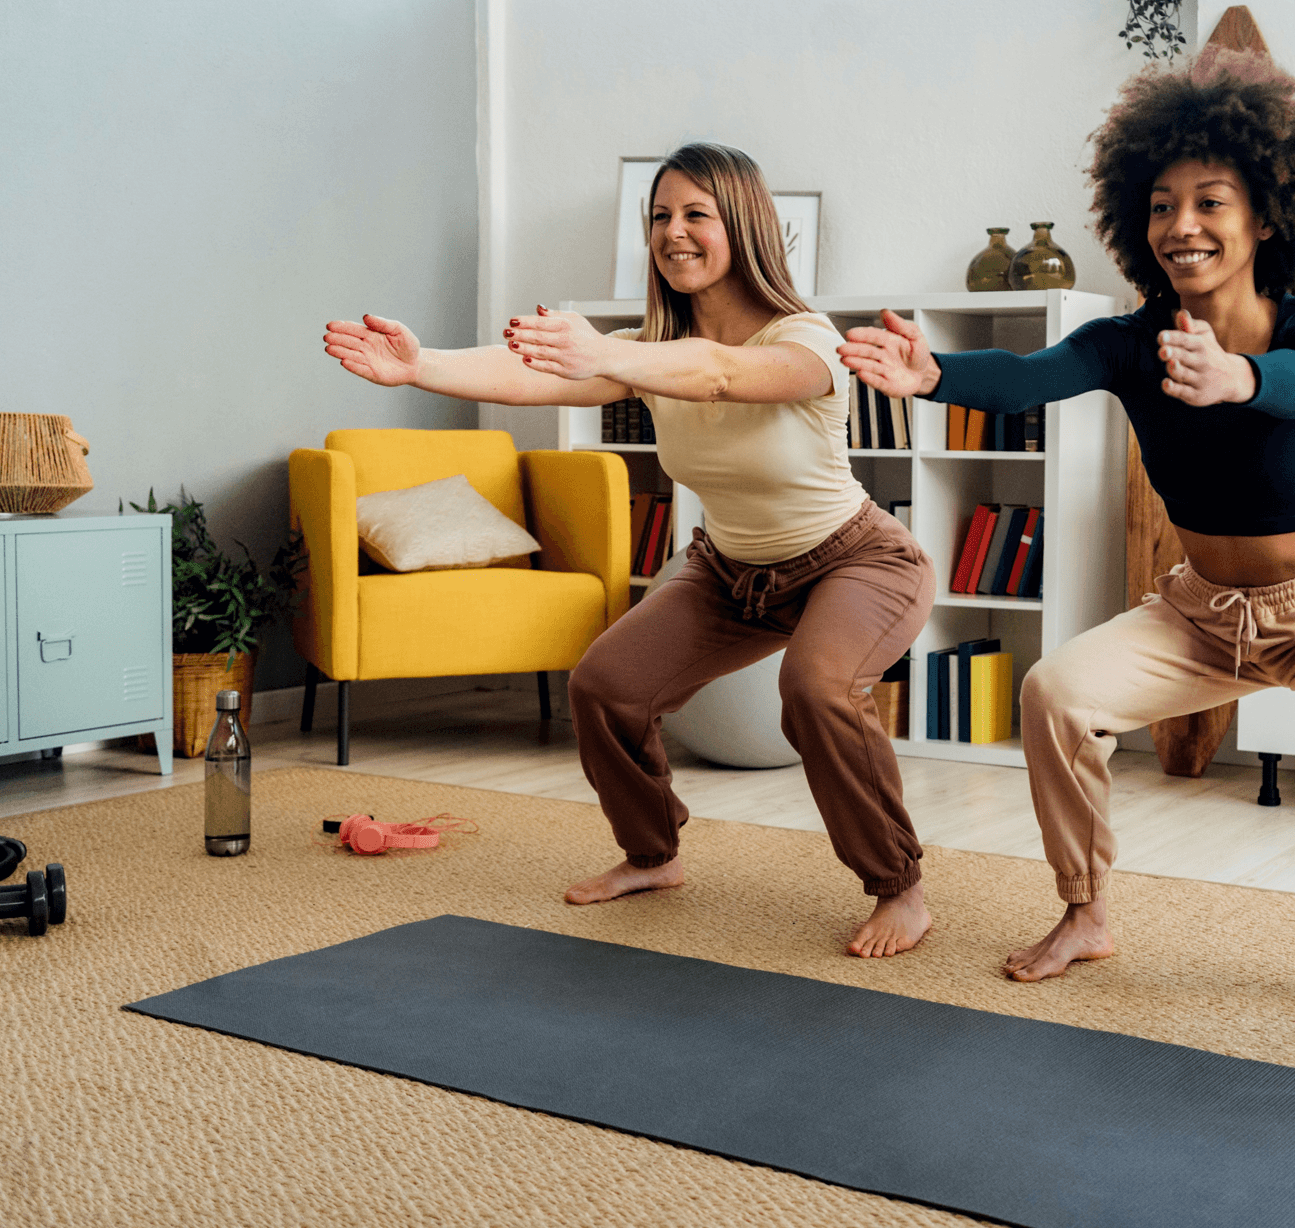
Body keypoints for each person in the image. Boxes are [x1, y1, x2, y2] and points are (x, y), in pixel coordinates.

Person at [839, 50, 1295, 1037]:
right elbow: (1031, 376)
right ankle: (1085, 913)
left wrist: (1236, 381)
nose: (1182, 227)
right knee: (1056, 693)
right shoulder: (1131, 341)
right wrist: (934, 371)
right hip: (1202, 612)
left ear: (1268, 217)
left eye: (1210, 202)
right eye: (1161, 206)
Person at [325, 142, 938, 958]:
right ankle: (653, 855)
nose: (673, 233)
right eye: (659, 216)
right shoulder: (653, 348)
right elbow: (536, 375)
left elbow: (721, 374)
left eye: (695, 215)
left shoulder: (809, 341)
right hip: (728, 572)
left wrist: (609, 352)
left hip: (855, 560)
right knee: (606, 686)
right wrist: (420, 367)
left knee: (816, 689)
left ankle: (899, 885)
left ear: (745, 226)